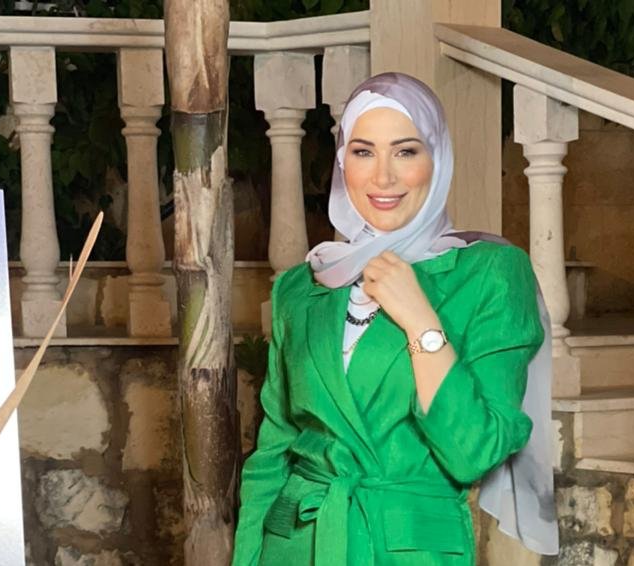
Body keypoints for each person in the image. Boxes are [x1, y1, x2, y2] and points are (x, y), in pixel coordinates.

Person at [233, 72, 558, 566]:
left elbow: (473, 453)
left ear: (437, 159)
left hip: (410, 548)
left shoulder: (491, 272)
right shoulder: (301, 286)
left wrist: (420, 319)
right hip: (294, 545)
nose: (382, 177)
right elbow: (273, 452)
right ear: (343, 162)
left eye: (405, 151)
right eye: (363, 152)